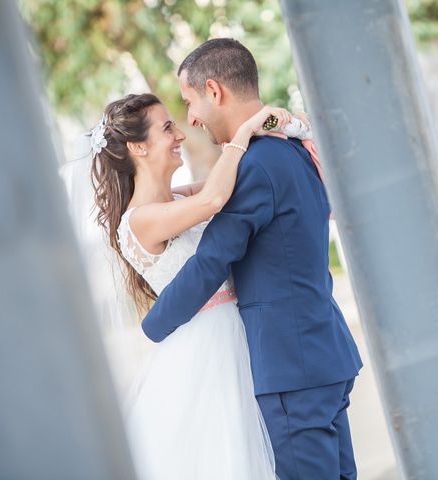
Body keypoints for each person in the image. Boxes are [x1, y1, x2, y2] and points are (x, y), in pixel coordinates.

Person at [142, 38, 363, 479]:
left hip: (291, 367)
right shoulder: (290, 149)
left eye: (189, 102)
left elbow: (212, 260)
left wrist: (154, 326)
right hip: (323, 351)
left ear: (214, 90)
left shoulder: (254, 167)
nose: (191, 119)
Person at [90, 91, 299, 479]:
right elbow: (217, 197)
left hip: (241, 331)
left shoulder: (177, 197)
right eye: (167, 127)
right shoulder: (140, 220)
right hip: (208, 348)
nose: (180, 134)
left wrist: (277, 135)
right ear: (138, 147)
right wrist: (249, 128)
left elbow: (228, 179)